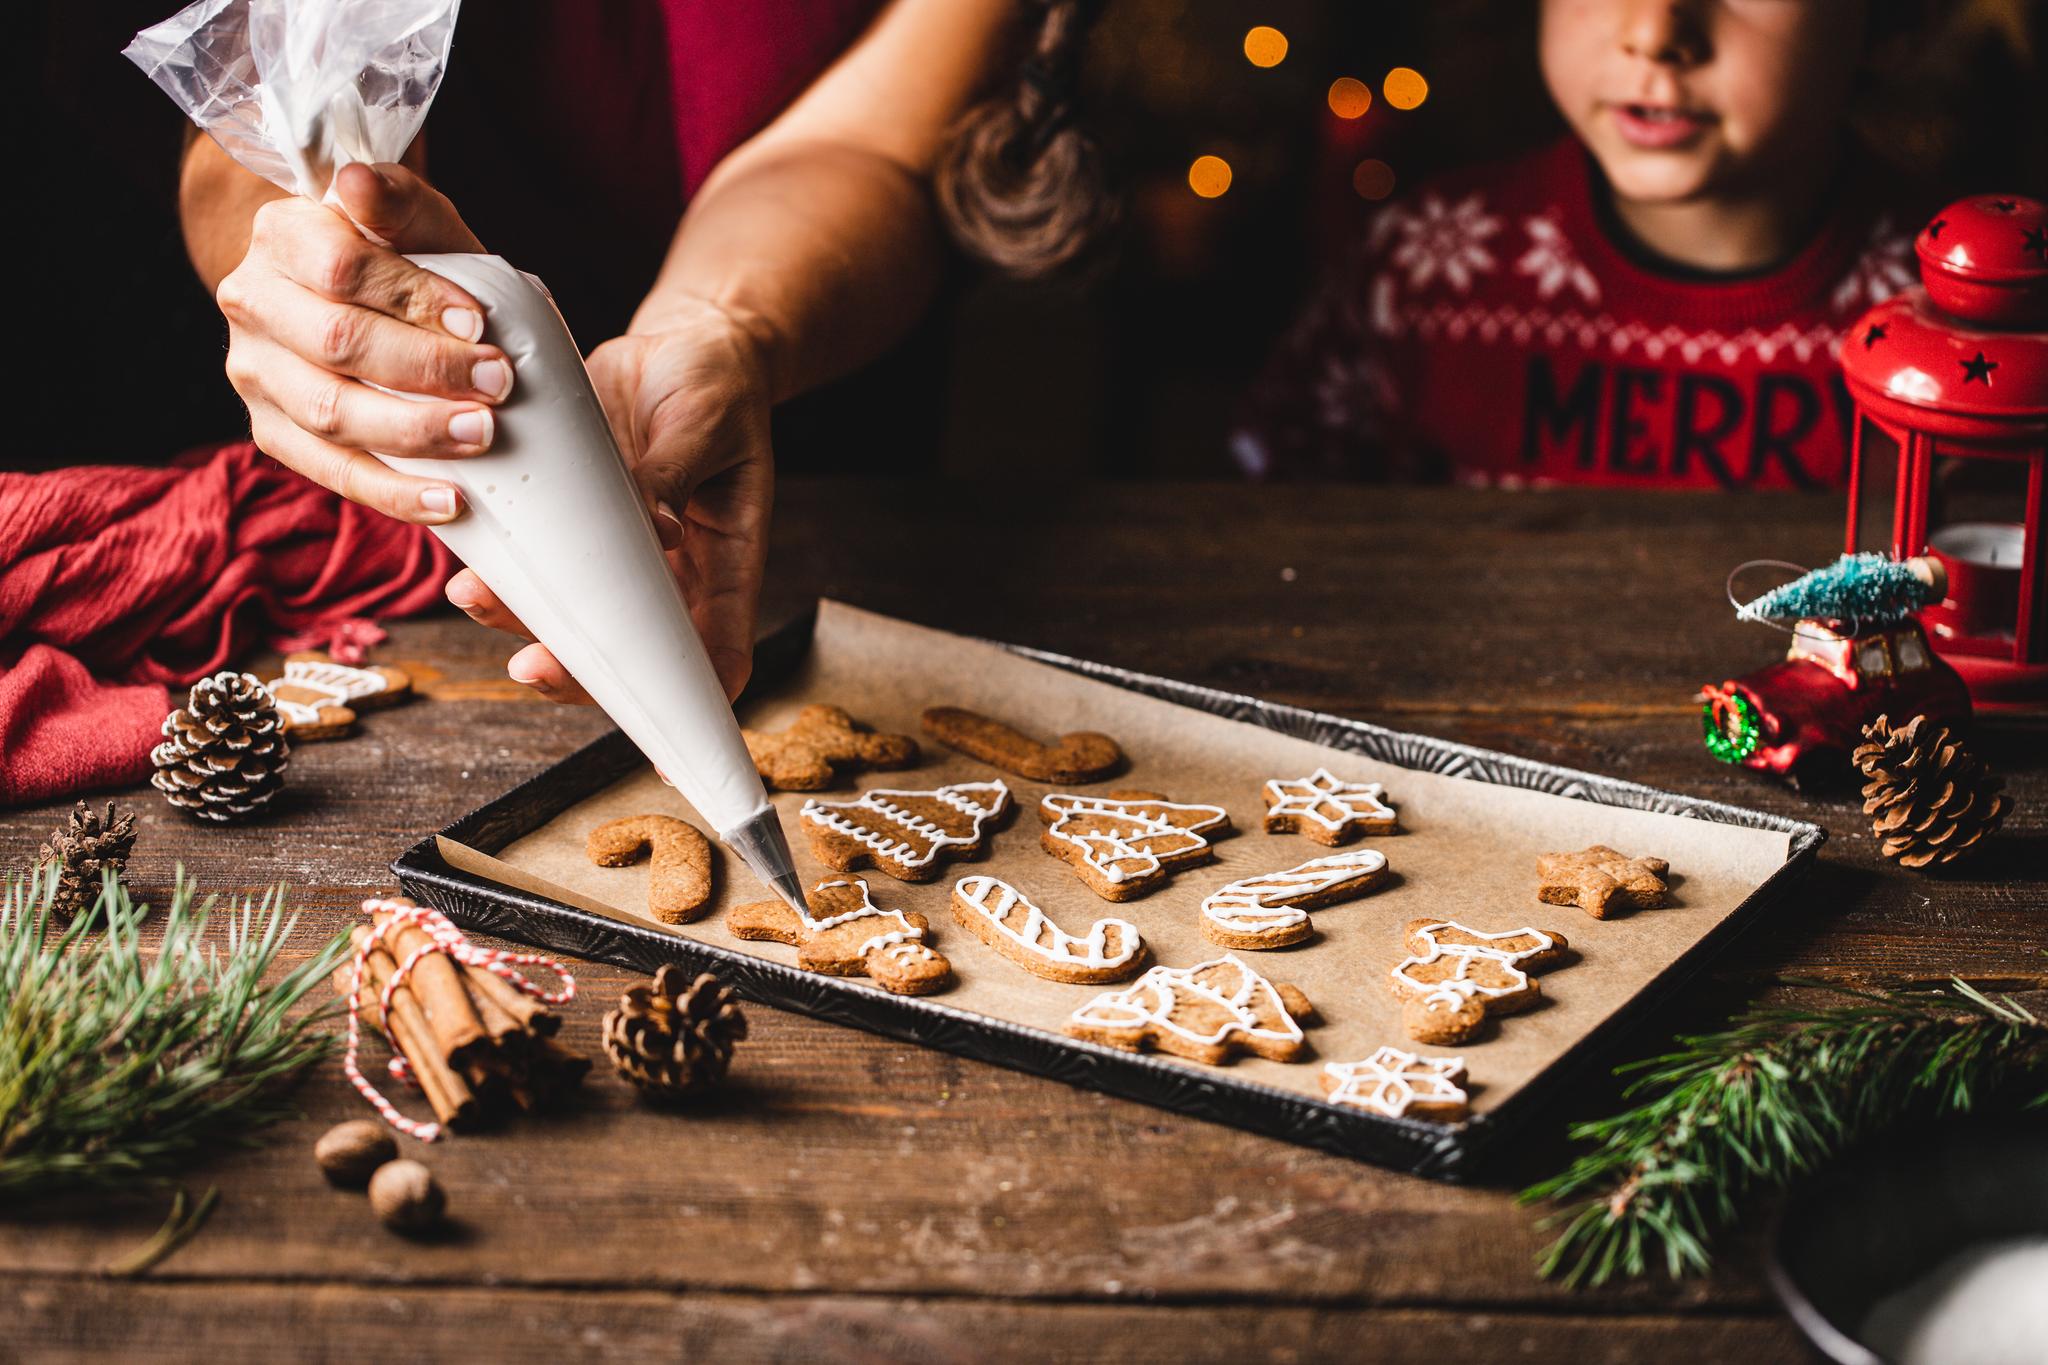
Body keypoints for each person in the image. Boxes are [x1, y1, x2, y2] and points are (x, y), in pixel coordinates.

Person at [179, 0, 1110, 705]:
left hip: (813, 470)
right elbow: (262, 109)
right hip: (404, 534)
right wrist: (310, 269)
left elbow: (879, 136)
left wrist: (713, 323)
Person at [1233, 0, 1927, 491]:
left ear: (1886, 22)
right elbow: (1267, 515)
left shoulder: (1955, 320)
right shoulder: (1427, 267)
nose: (1655, 32)